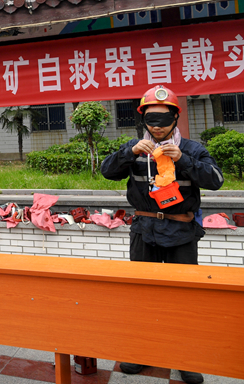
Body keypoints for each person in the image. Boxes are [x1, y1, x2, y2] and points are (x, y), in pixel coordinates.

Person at [101, 85, 223, 384]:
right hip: (144, 230)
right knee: (144, 295)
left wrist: (183, 159)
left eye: (164, 120)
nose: (157, 127)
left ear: (175, 117)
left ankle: (186, 358)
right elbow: (107, 171)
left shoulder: (192, 149)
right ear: (143, 119)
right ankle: (143, 351)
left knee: (184, 298)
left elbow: (216, 180)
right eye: (150, 120)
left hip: (181, 231)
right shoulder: (135, 147)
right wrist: (128, 153)